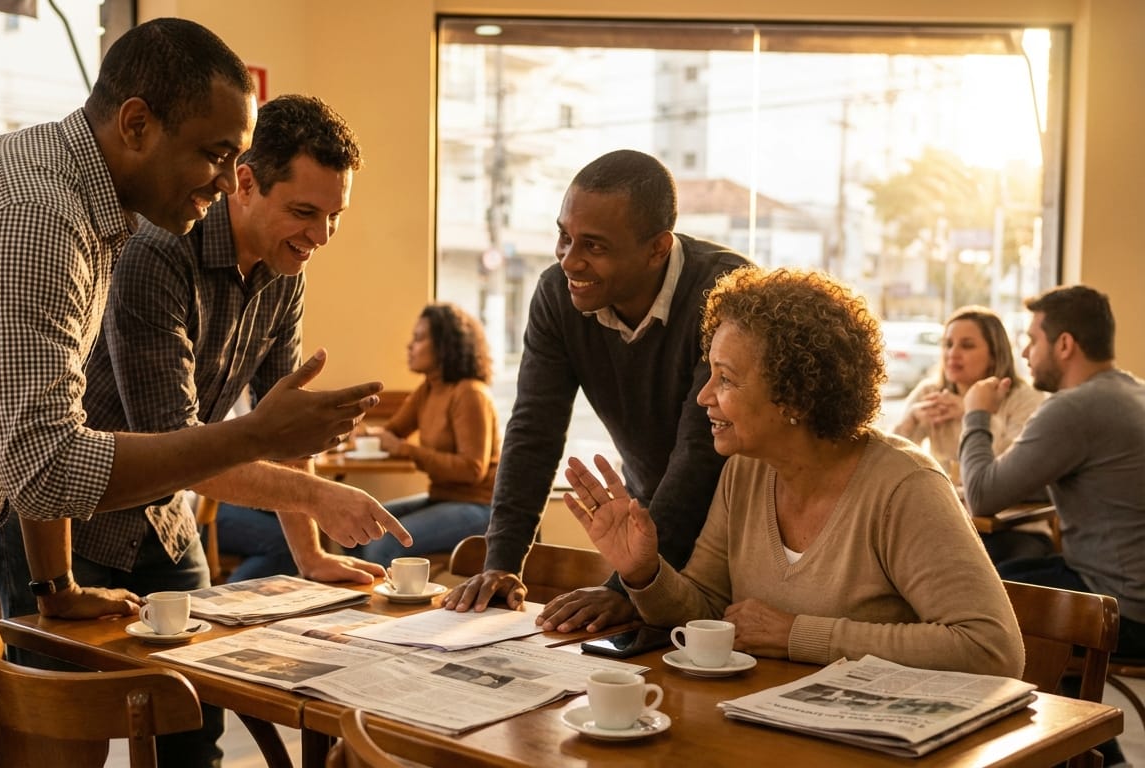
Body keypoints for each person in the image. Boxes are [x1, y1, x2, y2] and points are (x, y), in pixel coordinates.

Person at [0, 20, 405, 768]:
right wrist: (259, 437)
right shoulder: (39, 217)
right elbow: (51, 467)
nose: (223, 178)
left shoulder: (80, 208)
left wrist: (55, 583)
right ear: (137, 124)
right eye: (214, 154)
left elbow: (40, 429)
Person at [0, 93, 403, 766]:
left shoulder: (286, 270)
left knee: (195, 719)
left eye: (335, 217)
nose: (321, 236)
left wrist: (311, 553)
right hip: (70, 519)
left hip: (165, 525)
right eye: (304, 211)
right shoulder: (159, 253)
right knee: (69, 736)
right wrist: (318, 500)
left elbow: (281, 424)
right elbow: (176, 443)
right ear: (244, 181)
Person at [564, 267, 1024, 676]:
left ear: (795, 398)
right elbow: (704, 611)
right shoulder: (744, 471)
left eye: (725, 378)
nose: (704, 397)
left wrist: (796, 636)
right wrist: (644, 572)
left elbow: (990, 647)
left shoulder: (905, 488)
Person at [443, 149, 750, 633]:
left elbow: (700, 455)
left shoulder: (725, 291)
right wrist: (501, 562)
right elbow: (533, 431)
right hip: (653, 528)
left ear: (657, 248)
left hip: (739, 532)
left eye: (594, 246)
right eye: (563, 237)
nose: (570, 260)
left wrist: (625, 587)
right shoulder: (556, 296)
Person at [961, 285, 1145, 767]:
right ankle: (1093, 749)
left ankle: (1046, 748)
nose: (1024, 351)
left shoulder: (1074, 408)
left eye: (1032, 339)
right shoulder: (1131, 393)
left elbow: (982, 493)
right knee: (1012, 569)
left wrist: (976, 412)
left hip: (1121, 607)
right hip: (1130, 592)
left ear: (1064, 345)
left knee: (978, 601)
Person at [347, 302, 502, 565]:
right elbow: (393, 431)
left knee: (383, 544)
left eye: (418, 338)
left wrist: (404, 449)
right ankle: (359, 603)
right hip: (443, 498)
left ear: (444, 345)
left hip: (483, 508)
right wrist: (361, 433)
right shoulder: (428, 390)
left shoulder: (470, 394)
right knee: (354, 526)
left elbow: (472, 469)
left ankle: (385, 605)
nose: (409, 346)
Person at [891, 305, 1048, 561]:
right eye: (948, 344)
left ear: (995, 355)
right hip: (948, 522)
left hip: (1015, 529)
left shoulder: (1024, 398)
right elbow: (889, 464)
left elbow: (1017, 470)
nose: (953, 354)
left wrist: (974, 414)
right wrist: (910, 422)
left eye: (967, 345)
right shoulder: (930, 393)